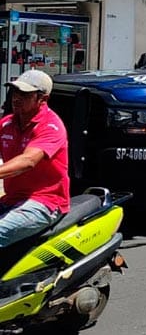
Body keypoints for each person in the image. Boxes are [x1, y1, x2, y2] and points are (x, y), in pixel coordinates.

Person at [0, 69, 69, 248]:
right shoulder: (7, 123)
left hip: (44, 202)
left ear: (42, 99)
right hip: (12, 199)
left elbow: (28, 161)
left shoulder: (51, 126)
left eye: (24, 94)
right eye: (15, 92)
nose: (16, 98)